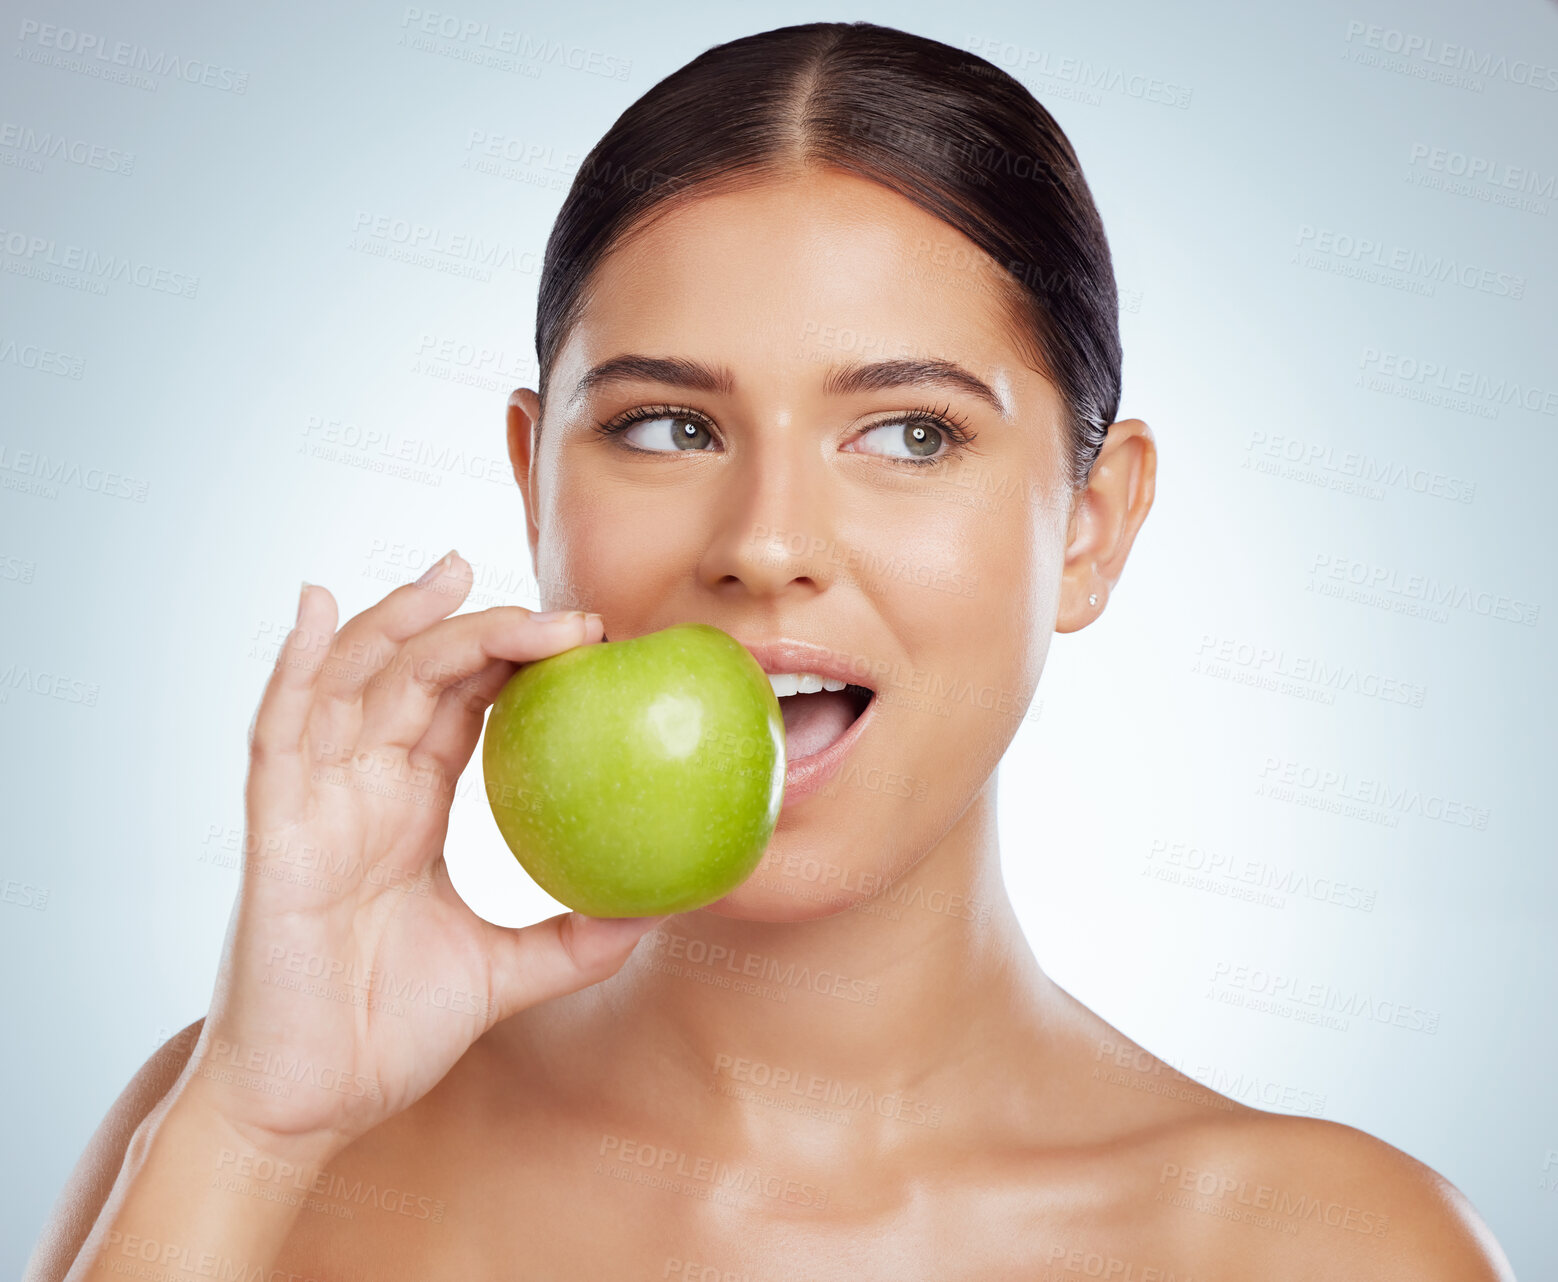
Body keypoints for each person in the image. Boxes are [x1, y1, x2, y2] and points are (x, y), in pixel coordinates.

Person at [28, 20, 1513, 1281]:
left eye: (908, 431)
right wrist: (249, 1132)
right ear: (532, 478)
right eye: (667, 425)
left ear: (1091, 526)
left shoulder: (1320, 1245)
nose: (765, 537)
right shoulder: (252, 1147)